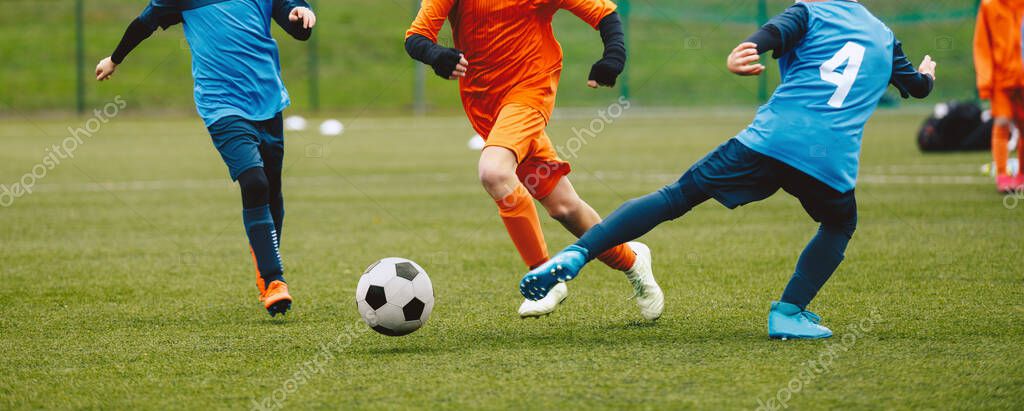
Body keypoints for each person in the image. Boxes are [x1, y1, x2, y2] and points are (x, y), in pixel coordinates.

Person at [520, 0, 936, 339]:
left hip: (769, 141)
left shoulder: (809, 12)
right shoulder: (885, 37)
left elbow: (770, 35)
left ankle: (579, 252)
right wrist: (927, 77)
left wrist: (745, 49)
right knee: (839, 224)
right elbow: (916, 88)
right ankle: (789, 312)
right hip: (829, 161)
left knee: (675, 197)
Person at [404, 0, 663, 319]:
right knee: (564, 207)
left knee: (494, 172)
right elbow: (416, 37)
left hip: (531, 89)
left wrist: (614, 56)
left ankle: (545, 276)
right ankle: (633, 261)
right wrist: (437, 55)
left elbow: (603, 12)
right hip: (485, 106)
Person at [95, 0, 317, 317]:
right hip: (221, 105)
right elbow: (145, 23)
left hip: (268, 102)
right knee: (254, 182)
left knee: (271, 190)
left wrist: (301, 13)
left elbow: (294, 21)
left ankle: (266, 261)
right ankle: (273, 280)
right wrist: (114, 59)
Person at [975, 0, 1024, 193]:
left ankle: (1021, 174)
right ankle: (1003, 175)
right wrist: (985, 80)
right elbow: (982, 46)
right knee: (1002, 122)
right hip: (1001, 78)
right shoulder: (989, 6)